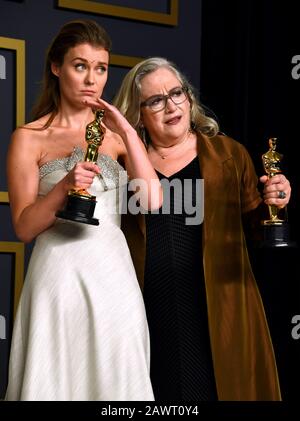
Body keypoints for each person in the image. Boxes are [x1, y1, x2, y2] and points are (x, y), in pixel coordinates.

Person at [113, 57, 292, 401]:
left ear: (190, 98)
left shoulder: (228, 155)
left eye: (177, 93)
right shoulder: (123, 164)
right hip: (146, 312)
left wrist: (276, 202)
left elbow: (256, 230)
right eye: (155, 100)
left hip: (213, 309)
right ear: (138, 113)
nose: (171, 106)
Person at [5, 20, 162, 401]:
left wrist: (125, 130)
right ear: (57, 67)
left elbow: (153, 200)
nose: (92, 78)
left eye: (101, 68)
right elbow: (25, 228)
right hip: (57, 276)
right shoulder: (29, 138)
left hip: (114, 276)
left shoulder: (117, 137)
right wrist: (63, 187)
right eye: (80, 66)